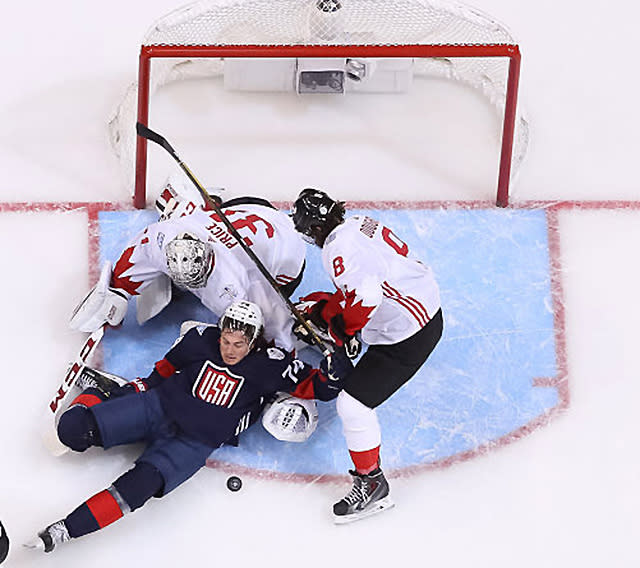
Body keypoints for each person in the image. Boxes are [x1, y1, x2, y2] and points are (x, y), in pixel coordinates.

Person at [26, 300, 352, 554]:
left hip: (193, 443)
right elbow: (164, 370)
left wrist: (334, 373)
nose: (229, 349)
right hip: (158, 408)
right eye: (226, 340)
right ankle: (102, 393)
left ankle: (64, 531)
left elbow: (318, 387)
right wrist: (132, 392)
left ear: (253, 342)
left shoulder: (271, 363)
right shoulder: (201, 339)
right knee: (70, 429)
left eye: (239, 344)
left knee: (139, 489)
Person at [290, 188, 443, 523]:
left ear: (313, 229)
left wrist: (340, 335)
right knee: (326, 308)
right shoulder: (357, 224)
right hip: (420, 305)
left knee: (352, 405)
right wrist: (329, 313)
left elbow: (368, 297)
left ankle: (372, 483)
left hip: (408, 334)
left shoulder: (336, 248)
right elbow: (368, 281)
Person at [69, 177, 307, 351]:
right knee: (189, 214)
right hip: (249, 209)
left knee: (260, 321)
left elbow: (277, 339)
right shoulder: (164, 237)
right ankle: (207, 205)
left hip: (287, 261)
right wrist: (118, 291)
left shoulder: (241, 290)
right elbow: (140, 251)